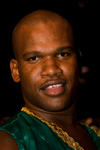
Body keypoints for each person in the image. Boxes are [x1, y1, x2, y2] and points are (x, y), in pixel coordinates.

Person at [0, 10, 100, 150]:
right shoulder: (9, 141)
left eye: (62, 54)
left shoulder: (94, 136)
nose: (52, 70)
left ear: (78, 60)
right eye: (34, 58)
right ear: (16, 71)